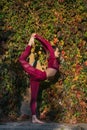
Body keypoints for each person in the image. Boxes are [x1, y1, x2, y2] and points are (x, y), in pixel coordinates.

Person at [19, 33, 60, 124]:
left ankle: (34, 118)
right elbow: (47, 44)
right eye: (58, 51)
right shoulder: (52, 56)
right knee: (21, 59)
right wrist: (35, 36)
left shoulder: (54, 59)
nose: (59, 53)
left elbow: (46, 47)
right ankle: (30, 43)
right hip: (39, 75)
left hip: (38, 77)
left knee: (34, 97)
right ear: (53, 52)